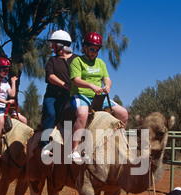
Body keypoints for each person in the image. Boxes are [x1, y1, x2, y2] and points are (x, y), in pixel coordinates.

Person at [68, 32, 129, 163]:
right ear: (84, 47)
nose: (94, 52)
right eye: (91, 49)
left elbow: (107, 79)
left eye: (97, 49)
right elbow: (76, 80)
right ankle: (74, 150)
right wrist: (91, 86)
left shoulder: (100, 63)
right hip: (81, 95)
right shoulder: (77, 61)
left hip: (99, 97)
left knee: (123, 114)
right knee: (83, 115)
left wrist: (107, 86)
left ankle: (119, 144)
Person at [41, 30, 78, 158]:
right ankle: (45, 145)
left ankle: (75, 146)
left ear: (60, 45)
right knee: (51, 113)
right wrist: (64, 85)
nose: (52, 47)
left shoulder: (77, 59)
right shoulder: (52, 60)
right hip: (52, 96)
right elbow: (50, 76)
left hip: (69, 97)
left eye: (53, 44)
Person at [0, 57, 27, 158]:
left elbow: (12, 94)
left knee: (23, 119)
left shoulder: (5, 82)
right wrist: (5, 101)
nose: (6, 72)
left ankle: (21, 144)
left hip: (4, 108)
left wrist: (13, 82)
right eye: (4, 70)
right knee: (0, 120)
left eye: (8, 70)